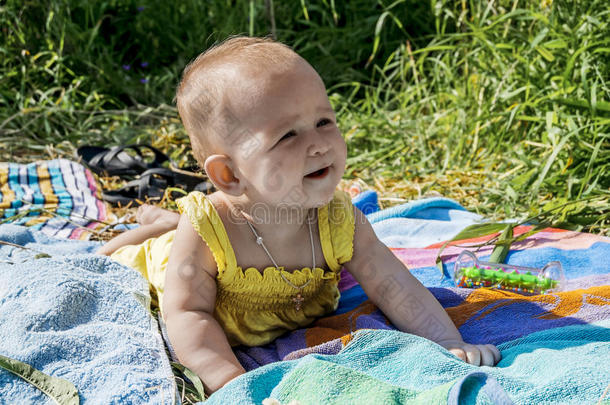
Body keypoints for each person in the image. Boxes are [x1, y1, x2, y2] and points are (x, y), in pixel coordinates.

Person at [97, 36, 501, 395]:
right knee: (145, 249)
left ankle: (161, 219)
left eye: (324, 121)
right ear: (229, 174)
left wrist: (449, 342)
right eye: (288, 135)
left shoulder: (342, 220)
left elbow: (396, 286)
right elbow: (188, 313)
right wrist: (231, 384)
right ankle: (143, 230)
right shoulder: (206, 232)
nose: (319, 144)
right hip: (170, 262)